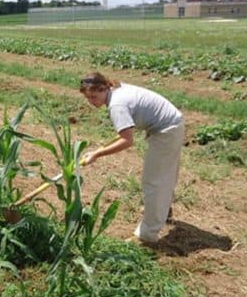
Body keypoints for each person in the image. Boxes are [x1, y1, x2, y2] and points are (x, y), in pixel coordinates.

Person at [79, 72, 185, 243]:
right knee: (165, 174)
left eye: (93, 96)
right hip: (173, 122)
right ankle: (162, 211)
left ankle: (147, 235)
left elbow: (127, 141)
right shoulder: (117, 90)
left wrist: (97, 154)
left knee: (153, 181)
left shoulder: (116, 105)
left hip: (166, 130)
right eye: (87, 98)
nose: (91, 102)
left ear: (103, 88)